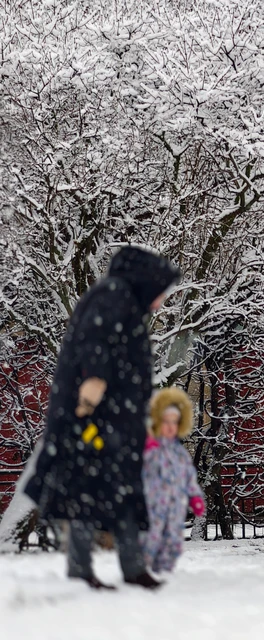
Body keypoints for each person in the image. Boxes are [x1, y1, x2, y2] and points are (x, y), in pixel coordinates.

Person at [24, 246, 181, 590]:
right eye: (160, 292)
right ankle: (84, 570)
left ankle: (132, 567)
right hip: (95, 416)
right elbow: (95, 342)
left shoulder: (122, 299)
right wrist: (93, 386)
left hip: (115, 418)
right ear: (146, 282)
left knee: (120, 489)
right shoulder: (113, 296)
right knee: (88, 490)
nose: (161, 301)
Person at [141, 387, 205, 574]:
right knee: (151, 540)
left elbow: (188, 478)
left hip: (175, 508)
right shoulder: (150, 449)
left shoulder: (180, 453)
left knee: (173, 543)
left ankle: (165, 573)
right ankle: (145, 571)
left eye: (174, 422)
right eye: (165, 422)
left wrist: (195, 498)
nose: (170, 427)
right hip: (152, 508)